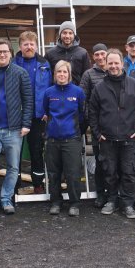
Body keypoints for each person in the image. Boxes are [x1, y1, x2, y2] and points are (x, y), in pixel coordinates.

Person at [88, 49, 135, 219]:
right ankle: (112, 200)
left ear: (123, 64)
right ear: (106, 65)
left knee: (129, 173)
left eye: (116, 63)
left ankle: (127, 203)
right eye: (110, 63)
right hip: (107, 139)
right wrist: (98, 133)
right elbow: (92, 113)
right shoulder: (99, 88)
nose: (113, 66)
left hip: (129, 139)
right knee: (110, 172)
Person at [0, 39, 33, 219]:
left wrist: (26, 124)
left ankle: (7, 199)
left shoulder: (20, 73)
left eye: (5, 52)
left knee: (13, 167)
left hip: (14, 129)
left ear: (11, 53)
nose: (2, 55)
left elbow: (28, 100)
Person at [40, 61, 86, 217]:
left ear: (69, 74)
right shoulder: (48, 93)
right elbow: (46, 112)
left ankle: (74, 203)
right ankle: (56, 202)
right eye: (59, 72)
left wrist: (75, 130)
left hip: (72, 139)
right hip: (52, 140)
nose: (62, 75)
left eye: (65, 72)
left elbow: (82, 114)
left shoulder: (78, 92)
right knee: (54, 174)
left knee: (73, 173)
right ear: (55, 74)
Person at [13, 31, 53, 194]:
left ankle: (38, 183)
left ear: (36, 46)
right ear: (20, 46)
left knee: (36, 150)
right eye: (26, 44)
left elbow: (50, 89)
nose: (29, 47)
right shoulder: (13, 63)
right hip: (17, 115)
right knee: (14, 151)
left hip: (38, 116)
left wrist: (46, 110)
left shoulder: (45, 64)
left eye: (31, 44)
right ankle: (14, 184)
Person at [79, 43, 109, 207]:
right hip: (97, 124)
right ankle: (100, 193)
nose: (99, 57)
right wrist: (89, 119)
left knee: (114, 161)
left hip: (115, 124)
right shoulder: (88, 75)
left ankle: (114, 192)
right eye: (96, 54)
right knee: (99, 160)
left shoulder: (115, 70)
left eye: (102, 53)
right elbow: (83, 98)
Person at [44, 20, 90, 85]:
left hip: (76, 91)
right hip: (56, 91)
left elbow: (86, 75)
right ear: (60, 35)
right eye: (64, 33)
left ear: (74, 35)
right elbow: (45, 76)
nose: (67, 36)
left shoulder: (83, 53)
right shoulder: (50, 53)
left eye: (70, 33)